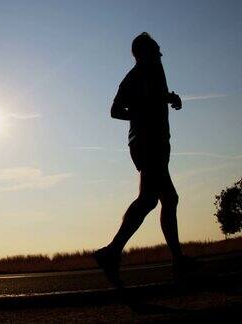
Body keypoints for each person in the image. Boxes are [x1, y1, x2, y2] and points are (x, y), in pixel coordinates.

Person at [93, 32, 197, 288]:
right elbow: (115, 111)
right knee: (155, 199)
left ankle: (119, 253)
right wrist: (142, 114)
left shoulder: (155, 72)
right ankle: (112, 252)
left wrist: (170, 98)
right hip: (146, 143)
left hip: (158, 142)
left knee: (161, 199)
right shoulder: (135, 76)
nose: (161, 54)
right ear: (144, 53)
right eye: (156, 50)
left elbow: (154, 98)